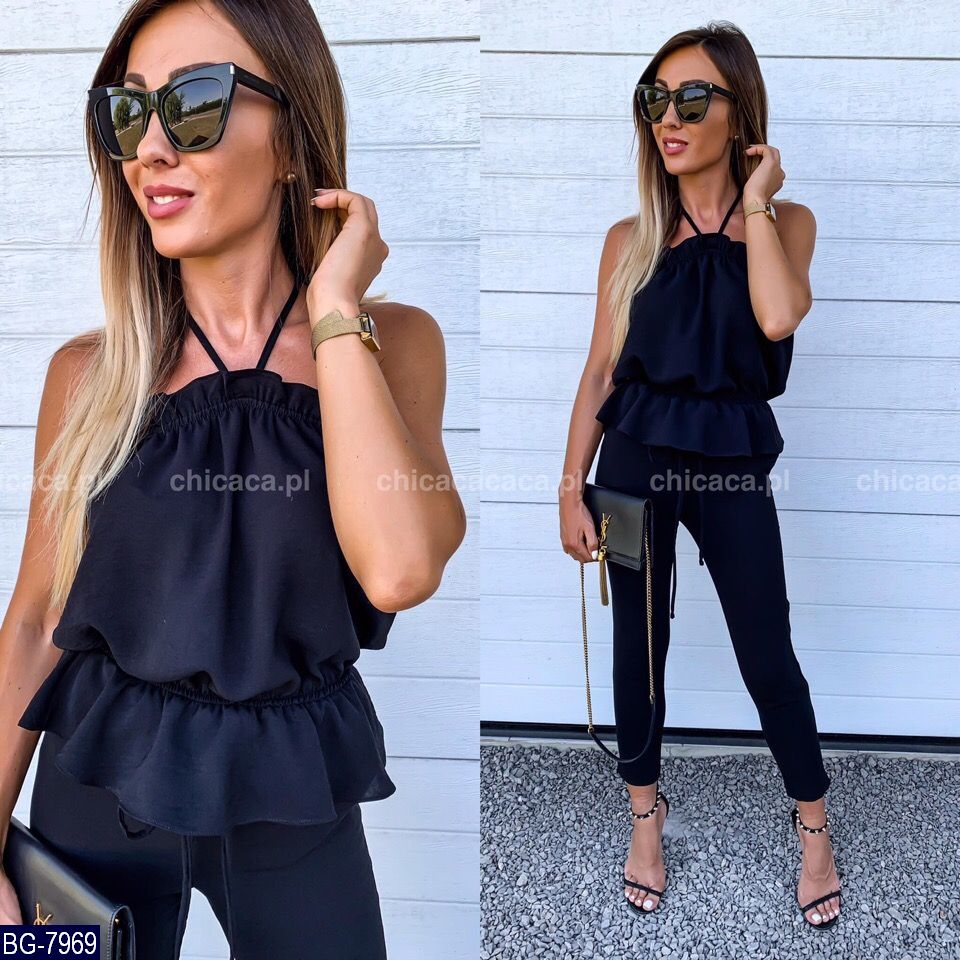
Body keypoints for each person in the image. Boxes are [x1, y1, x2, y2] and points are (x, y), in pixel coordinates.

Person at [0, 1, 466, 956]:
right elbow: (37, 621)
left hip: (294, 796)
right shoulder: (87, 377)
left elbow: (400, 570)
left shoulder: (392, 343)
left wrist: (333, 310)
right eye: (129, 112)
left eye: (195, 103)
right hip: (96, 785)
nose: (151, 149)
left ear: (291, 138)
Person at [558, 22, 841, 928]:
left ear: (738, 112)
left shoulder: (785, 224)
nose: (668, 119)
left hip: (730, 464)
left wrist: (755, 200)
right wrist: (569, 486)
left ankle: (814, 827)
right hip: (631, 464)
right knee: (637, 650)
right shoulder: (630, 239)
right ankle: (645, 820)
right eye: (655, 100)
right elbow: (600, 374)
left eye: (690, 99)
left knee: (766, 647)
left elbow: (777, 316)